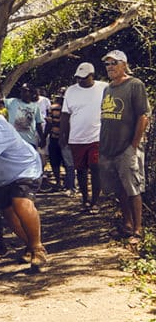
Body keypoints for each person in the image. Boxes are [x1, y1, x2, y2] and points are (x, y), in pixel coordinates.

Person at [0, 94, 48, 270]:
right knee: (8, 212)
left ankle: (38, 248)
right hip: (0, 177)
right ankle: (29, 245)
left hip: (24, 168)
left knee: (21, 203)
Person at [99, 49, 150, 243]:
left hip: (127, 148)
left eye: (114, 63)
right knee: (119, 188)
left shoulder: (135, 85)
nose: (110, 67)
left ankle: (138, 229)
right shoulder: (108, 88)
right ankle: (127, 224)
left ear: (124, 65)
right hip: (108, 148)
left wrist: (134, 146)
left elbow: (143, 116)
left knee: (133, 188)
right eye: (108, 64)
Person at [62, 61, 106, 214]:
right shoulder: (71, 91)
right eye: (78, 78)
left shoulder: (103, 87)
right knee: (80, 170)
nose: (80, 80)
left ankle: (95, 201)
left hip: (97, 136)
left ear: (92, 75)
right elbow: (65, 115)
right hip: (77, 137)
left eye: (84, 77)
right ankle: (85, 199)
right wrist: (63, 136)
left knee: (95, 167)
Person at [43, 87, 74, 193]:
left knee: (67, 163)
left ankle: (67, 184)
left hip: (66, 138)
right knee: (55, 161)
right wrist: (44, 136)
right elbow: (49, 123)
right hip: (55, 138)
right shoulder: (54, 108)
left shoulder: (71, 108)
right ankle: (60, 183)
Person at [5, 83, 45, 150]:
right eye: (22, 91)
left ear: (32, 93)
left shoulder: (35, 107)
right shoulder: (12, 102)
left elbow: (38, 124)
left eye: (26, 91)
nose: (23, 93)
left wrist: (42, 138)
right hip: (13, 141)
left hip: (29, 142)